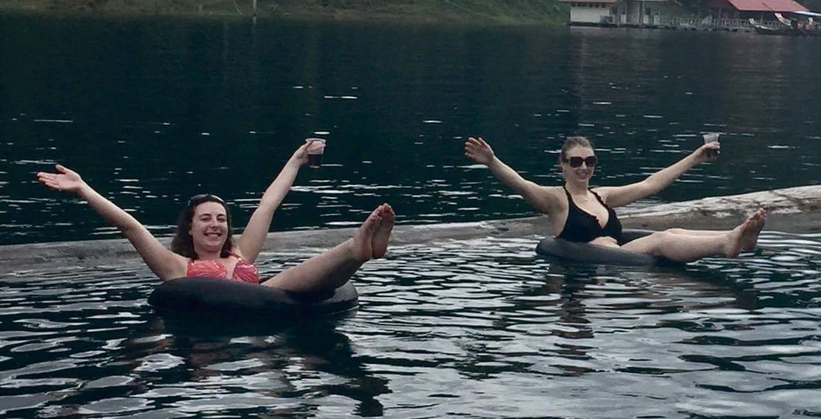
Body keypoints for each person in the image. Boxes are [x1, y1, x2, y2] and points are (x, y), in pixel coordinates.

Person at [35, 140, 395, 292]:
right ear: (189, 229)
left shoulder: (242, 253)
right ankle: (356, 248)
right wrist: (83, 188)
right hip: (218, 330)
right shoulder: (175, 267)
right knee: (280, 284)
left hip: (265, 308)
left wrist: (297, 160)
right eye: (206, 219)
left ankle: (356, 250)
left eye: (221, 218)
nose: (215, 224)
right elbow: (129, 224)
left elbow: (268, 203)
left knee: (283, 282)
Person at [463, 135, 765, 263]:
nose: (584, 167)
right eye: (576, 162)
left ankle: (737, 238)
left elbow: (651, 184)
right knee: (662, 239)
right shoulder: (556, 200)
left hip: (622, 256)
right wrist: (492, 161)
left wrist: (695, 157)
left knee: (674, 232)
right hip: (598, 273)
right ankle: (728, 241)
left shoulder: (602, 194)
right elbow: (521, 184)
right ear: (563, 165)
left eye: (590, 161)